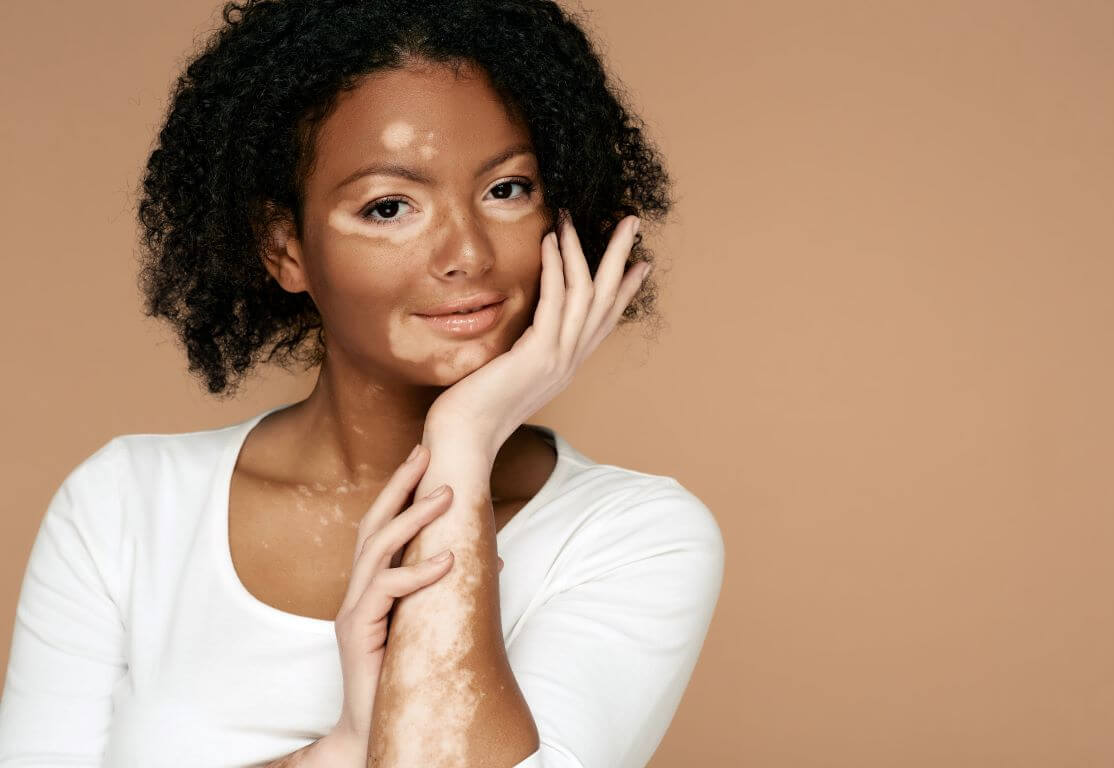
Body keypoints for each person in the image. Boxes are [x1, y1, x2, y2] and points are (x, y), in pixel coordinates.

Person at [0, 0, 725, 765]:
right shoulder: (125, 508)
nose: (468, 254)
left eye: (507, 189)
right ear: (285, 248)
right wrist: (345, 746)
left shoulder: (635, 538)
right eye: (389, 207)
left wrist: (463, 439)